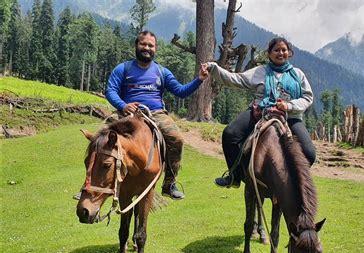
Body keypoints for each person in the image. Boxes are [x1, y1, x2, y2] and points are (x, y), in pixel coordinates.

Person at [104, 30, 208, 200]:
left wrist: (199, 79)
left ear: (155, 49)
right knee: (100, 139)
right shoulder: (123, 68)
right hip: (128, 113)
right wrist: (123, 105)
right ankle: (89, 185)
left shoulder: (162, 72)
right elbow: (111, 90)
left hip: (156, 114)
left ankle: (169, 183)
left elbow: (180, 91)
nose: (147, 48)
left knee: (177, 139)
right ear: (136, 45)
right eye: (143, 44)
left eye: (150, 45)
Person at [204, 37, 316, 188]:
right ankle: (235, 176)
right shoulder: (260, 71)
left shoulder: (298, 74)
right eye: (276, 50)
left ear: (289, 53)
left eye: (284, 50)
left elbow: (307, 97)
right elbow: (236, 79)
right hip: (260, 112)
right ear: (269, 54)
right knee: (230, 133)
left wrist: (289, 106)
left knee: (309, 153)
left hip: (290, 117)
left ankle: (293, 183)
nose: (280, 53)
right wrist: (214, 68)